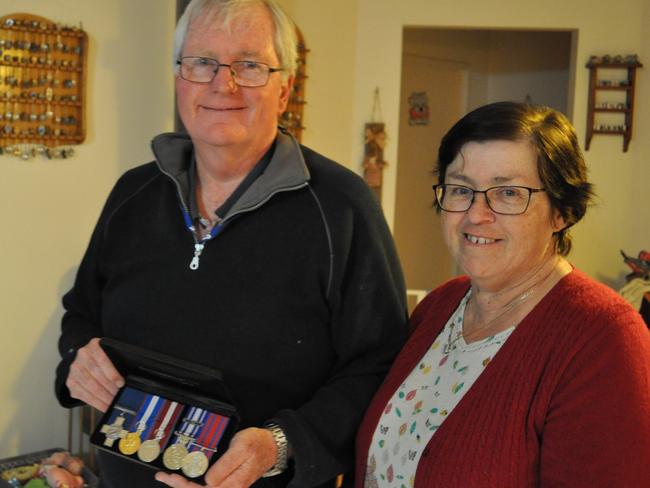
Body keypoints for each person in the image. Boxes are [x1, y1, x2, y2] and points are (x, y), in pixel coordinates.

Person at [54, 1, 408, 487]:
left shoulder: (342, 208)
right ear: (179, 77)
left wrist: (280, 444)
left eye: (249, 64)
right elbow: (81, 313)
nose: (225, 84)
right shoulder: (131, 195)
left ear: (285, 87)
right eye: (202, 62)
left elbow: (379, 368)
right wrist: (79, 357)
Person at [355, 101, 650, 487]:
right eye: (462, 189)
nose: (477, 214)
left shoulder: (603, 338)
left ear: (562, 211)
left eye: (508, 193)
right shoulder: (438, 308)